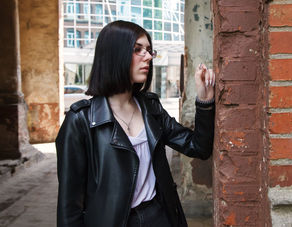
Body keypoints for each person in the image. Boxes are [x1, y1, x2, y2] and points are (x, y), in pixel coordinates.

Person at [56, 20, 215, 227]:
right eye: (137, 50)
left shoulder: (151, 108)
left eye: (149, 50)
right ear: (115, 55)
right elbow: (70, 207)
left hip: (159, 217)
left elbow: (198, 147)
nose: (148, 57)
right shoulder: (81, 121)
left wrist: (204, 100)